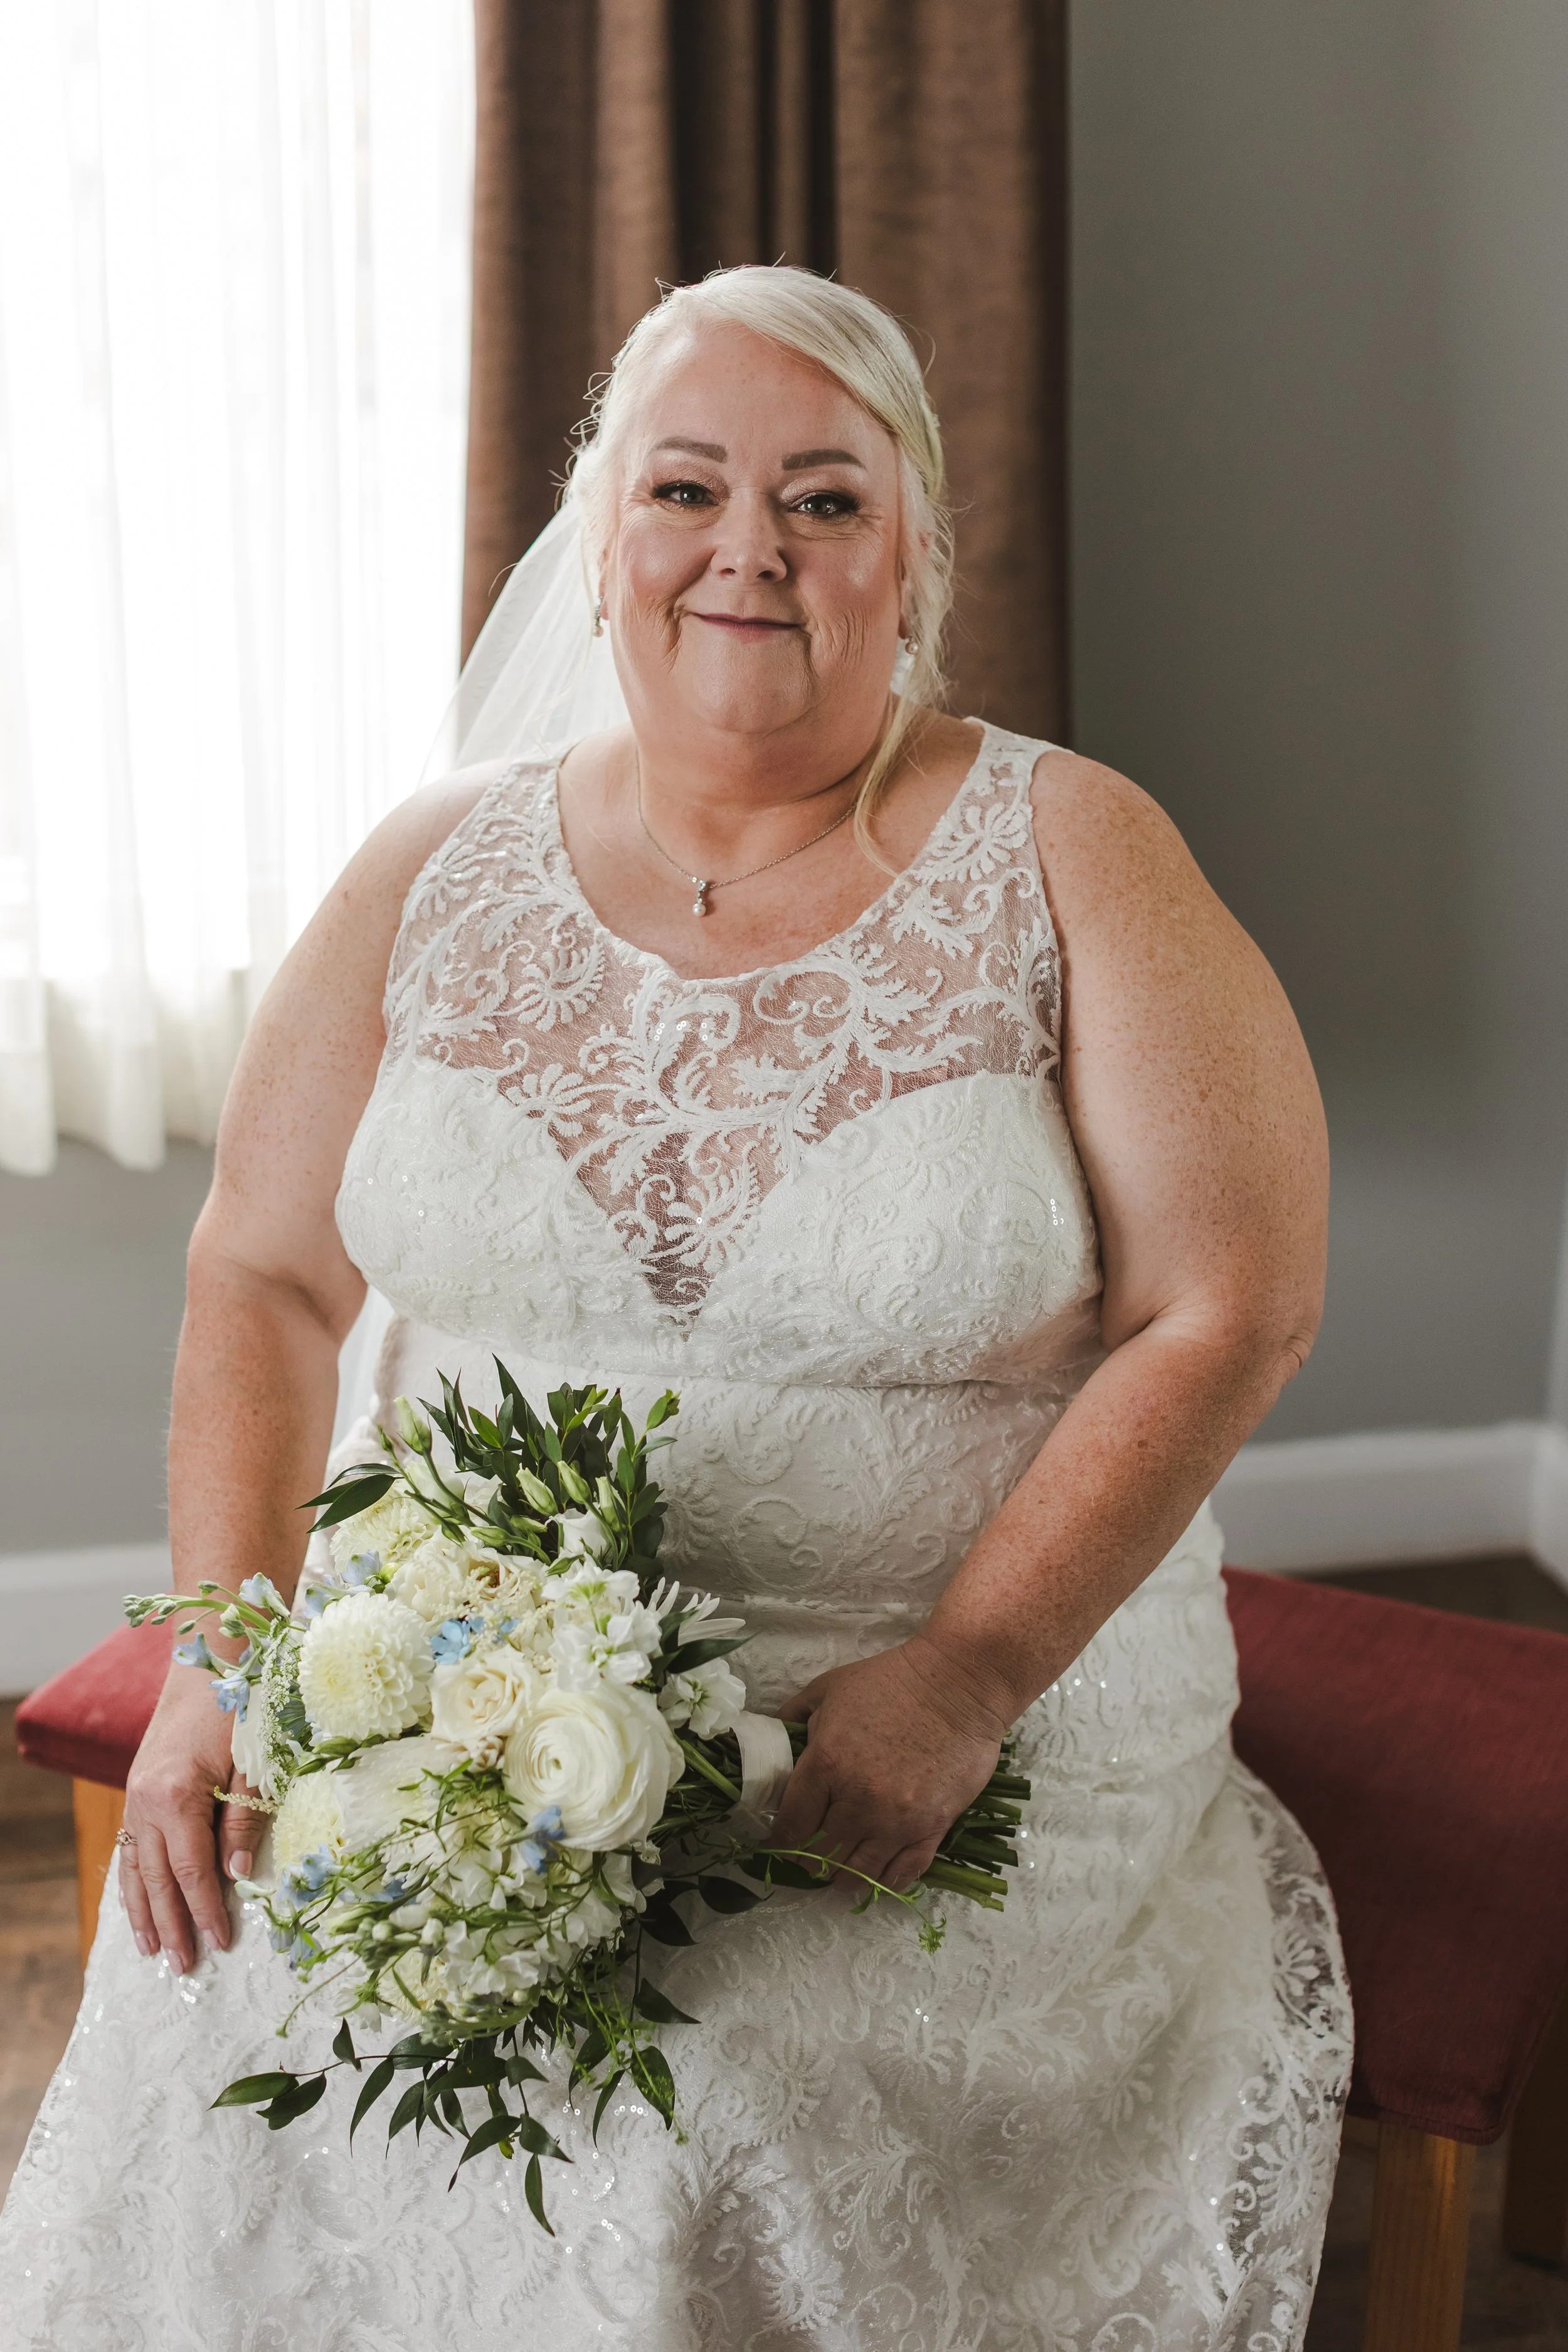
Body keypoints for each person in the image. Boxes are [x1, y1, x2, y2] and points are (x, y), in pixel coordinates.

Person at [1, 265, 1350, 2349]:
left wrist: (967, 1673)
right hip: (456, 1671)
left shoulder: (1077, 851)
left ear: (914, 558)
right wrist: (231, 1658)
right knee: (257, 1980)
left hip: (945, 1693)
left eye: (822, 499)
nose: (749, 549)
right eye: (686, 488)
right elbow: (260, 1274)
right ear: (596, 534)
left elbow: (1228, 1306)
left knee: (712, 2089)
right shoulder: (428, 867)